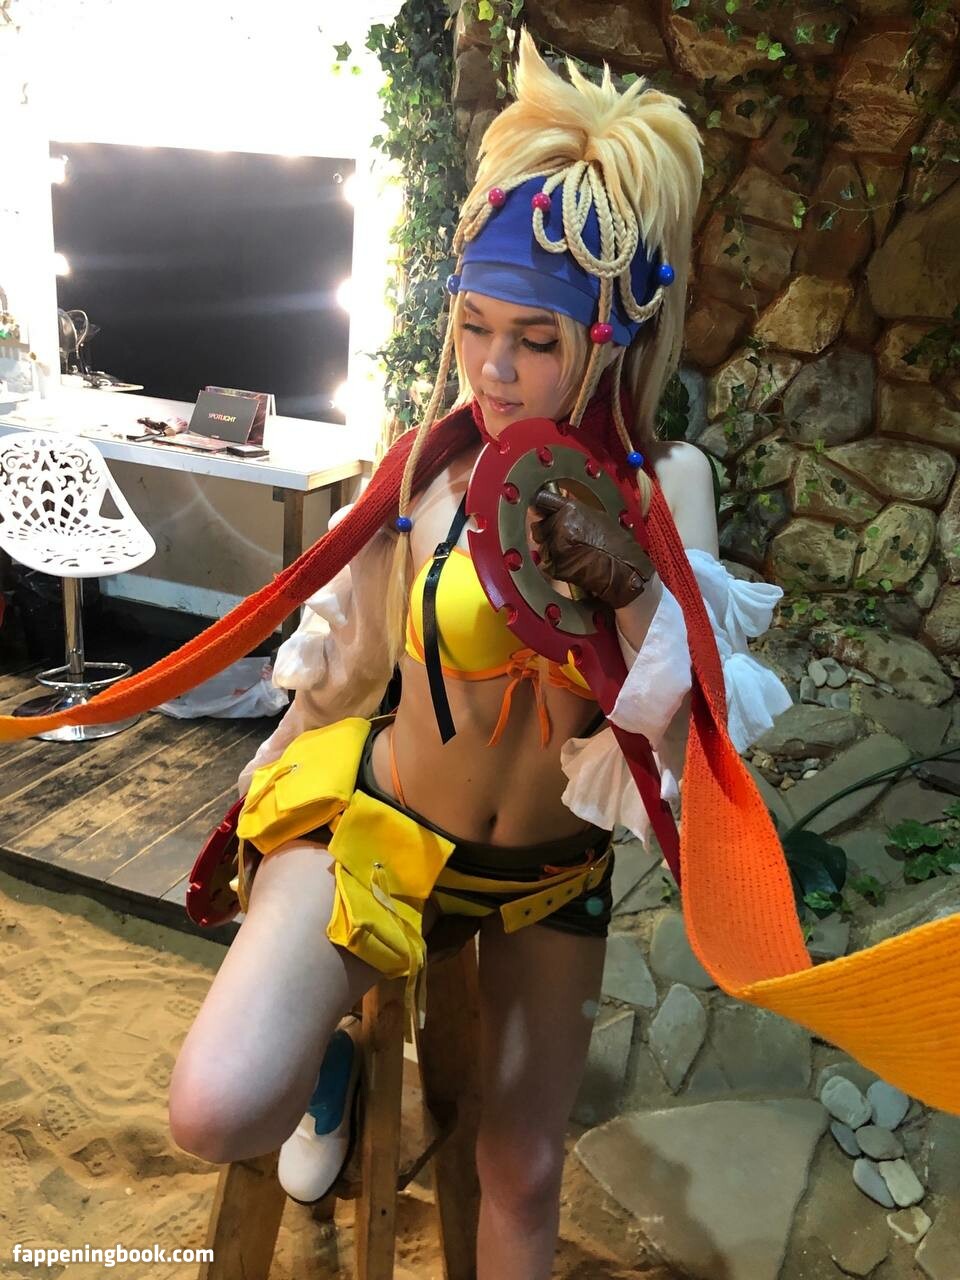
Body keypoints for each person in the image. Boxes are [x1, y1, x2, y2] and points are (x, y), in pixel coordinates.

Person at [167, 32, 792, 1279]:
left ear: (608, 335)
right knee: (216, 1108)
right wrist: (271, 776)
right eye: (473, 326)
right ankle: (332, 1064)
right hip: (384, 826)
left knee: (525, 1169)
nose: (495, 369)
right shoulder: (429, 469)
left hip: (547, 876)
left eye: (537, 339)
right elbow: (348, 660)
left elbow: (690, 731)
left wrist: (631, 582)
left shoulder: (668, 486)